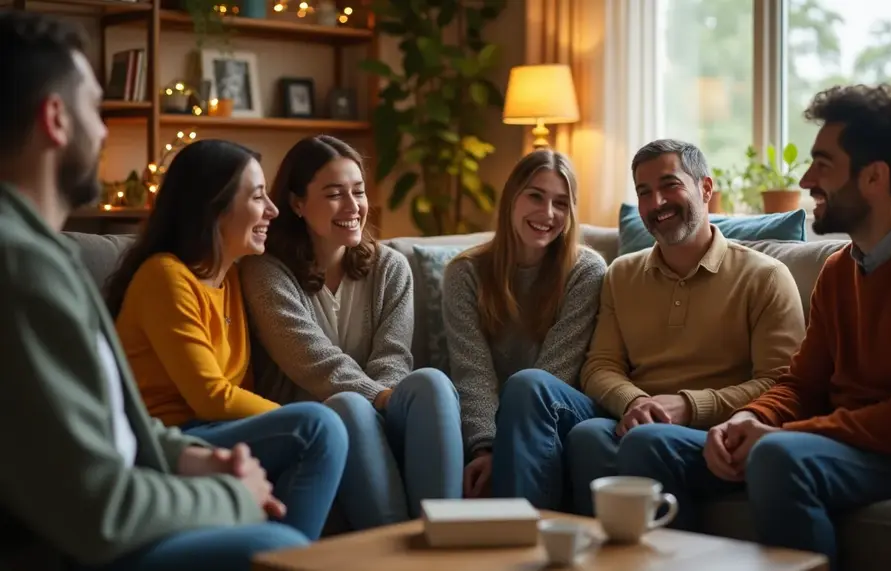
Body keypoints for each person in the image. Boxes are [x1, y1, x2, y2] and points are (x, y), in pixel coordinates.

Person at [617, 84, 891, 570]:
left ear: (874, 177)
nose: (806, 177)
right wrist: (748, 419)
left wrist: (785, 436)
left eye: (824, 163)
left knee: (779, 457)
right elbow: (802, 384)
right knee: (652, 443)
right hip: (837, 445)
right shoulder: (841, 268)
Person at [0, 10, 313, 571]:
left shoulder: (41, 254)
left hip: (127, 495)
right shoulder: (20, 266)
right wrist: (229, 499)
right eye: (93, 109)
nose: (101, 131)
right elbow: (99, 508)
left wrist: (200, 461)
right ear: (55, 119)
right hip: (70, 547)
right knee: (279, 549)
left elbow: (120, 424)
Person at [493, 139, 806, 513]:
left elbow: (780, 384)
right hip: (631, 421)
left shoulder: (766, 277)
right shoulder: (622, 274)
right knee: (539, 392)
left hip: (712, 429)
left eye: (669, 185)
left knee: (602, 438)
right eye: (644, 192)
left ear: (705, 189)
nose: (656, 202)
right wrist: (635, 401)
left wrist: (688, 407)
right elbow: (600, 365)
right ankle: (523, 539)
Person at [103, 138, 349, 543]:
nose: (273, 209)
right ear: (214, 210)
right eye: (257, 197)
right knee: (319, 426)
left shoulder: (234, 274)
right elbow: (211, 396)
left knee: (322, 425)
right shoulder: (166, 277)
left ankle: (280, 547)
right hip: (170, 440)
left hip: (216, 428)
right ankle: (286, 560)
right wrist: (290, 416)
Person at [239, 135, 463, 530]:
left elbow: (393, 357)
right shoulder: (265, 270)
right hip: (316, 425)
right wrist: (378, 398)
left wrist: (385, 401)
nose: (353, 206)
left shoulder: (390, 267)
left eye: (358, 192)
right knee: (348, 404)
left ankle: (443, 533)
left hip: (380, 412)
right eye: (334, 194)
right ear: (296, 203)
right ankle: (392, 549)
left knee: (432, 382)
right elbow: (312, 360)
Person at [442, 149, 608, 500]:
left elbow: (556, 373)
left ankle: (524, 531)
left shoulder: (587, 271)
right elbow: (472, 371)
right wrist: (485, 448)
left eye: (561, 203)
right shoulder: (465, 273)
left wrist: (504, 450)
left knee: (531, 384)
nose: (547, 213)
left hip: (562, 411)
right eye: (535, 196)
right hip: (495, 422)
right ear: (511, 198)